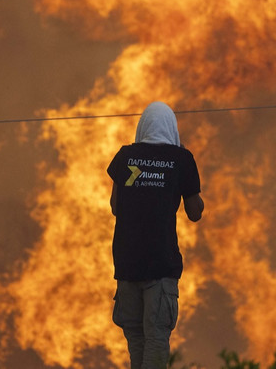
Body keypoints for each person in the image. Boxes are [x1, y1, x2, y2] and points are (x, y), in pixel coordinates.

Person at [106, 101, 204, 369]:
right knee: (157, 337)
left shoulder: (125, 157)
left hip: (127, 264)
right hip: (161, 266)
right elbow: (195, 213)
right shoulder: (181, 159)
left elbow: (115, 207)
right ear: (172, 129)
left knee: (136, 337)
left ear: (142, 128)